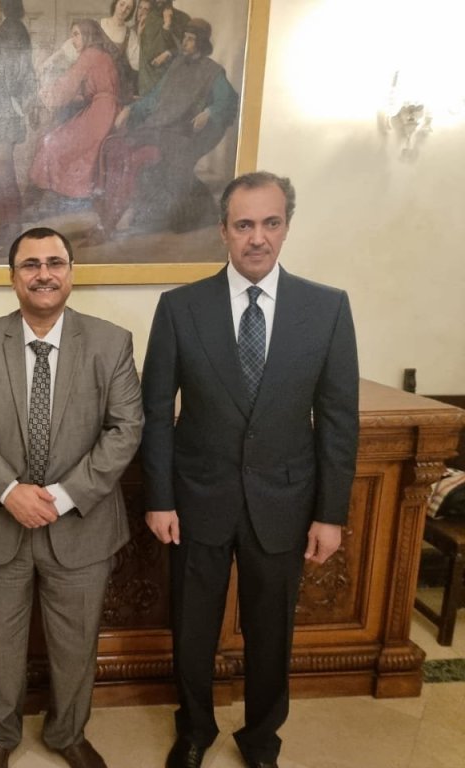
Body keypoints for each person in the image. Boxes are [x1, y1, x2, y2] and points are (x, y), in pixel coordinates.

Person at [141, 172, 359, 768]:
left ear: (286, 227)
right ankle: (194, 730)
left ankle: (262, 739)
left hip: (284, 503)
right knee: (193, 630)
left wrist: (330, 514)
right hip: (195, 502)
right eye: (243, 224)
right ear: (223, 231)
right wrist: (159, 498)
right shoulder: (180, 308)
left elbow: (338, 420)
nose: (257, 237)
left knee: (271, 634)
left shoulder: (327, 308)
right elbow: (156, 413)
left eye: (270, 223)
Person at [0, 227, 144, 768]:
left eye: (55, 263)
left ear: (71, 273)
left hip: (81, 524)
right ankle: (0, 735)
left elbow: (125, 429)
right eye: (30, 265)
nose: (43, 274)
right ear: (12, 278)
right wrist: (9, 492)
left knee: (77, 644)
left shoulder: (111, 342)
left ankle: (67, 733)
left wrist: (61, 495)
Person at [90, 18, 237, 242]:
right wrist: (130, 109)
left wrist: (209, 112)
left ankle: (111, 223)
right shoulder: (177, 65)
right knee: (113, 148)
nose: (184, 43)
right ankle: (109, 217)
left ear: (201, 43)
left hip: (182, 132)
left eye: (190, 39)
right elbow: (154, 97)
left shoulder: (213, 71)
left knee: (137, 160)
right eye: (184, 38)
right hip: (159, 125)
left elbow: (228, 100)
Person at [26, 20, 122, 213]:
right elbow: (99, 89)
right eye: (72, 35)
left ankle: (34, 205)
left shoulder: (89, 55)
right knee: (59, 139)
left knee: (50, 143)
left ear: (88, 35)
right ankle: (39, 203)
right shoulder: (104, 55)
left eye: (77, 34)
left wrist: (43, 96)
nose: (73, 40)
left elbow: (66, 86)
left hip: (99, 115)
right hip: (109, 110)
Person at [0, 0, 37, 247]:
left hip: (5, 109)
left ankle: (12, 229)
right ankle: (4, 226)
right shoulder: (10, 26)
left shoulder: (12, 27)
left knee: (3, 169)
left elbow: (15, 71)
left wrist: (10, 97)